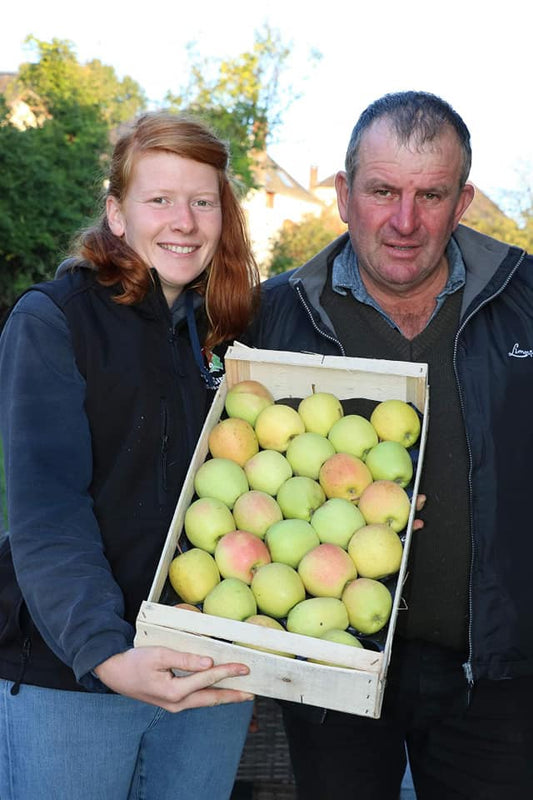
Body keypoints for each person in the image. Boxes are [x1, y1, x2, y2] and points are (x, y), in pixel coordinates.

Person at [249, 91, 533, 799]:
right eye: (381, 191)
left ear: (462, 200)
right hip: (329, 664)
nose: (404, 222)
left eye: (429, 194)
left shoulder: (524, 297)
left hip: (494, 673)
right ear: (343, 195)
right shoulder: (269, 316)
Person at [0, 110, 261, 800]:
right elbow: (48, 509)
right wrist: (107, 654)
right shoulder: (53, 320)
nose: (184, 220)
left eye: (202, 201)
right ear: (117, 215)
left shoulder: (230, 335)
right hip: (75, 673)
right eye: (160, 199)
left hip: (204, 658)